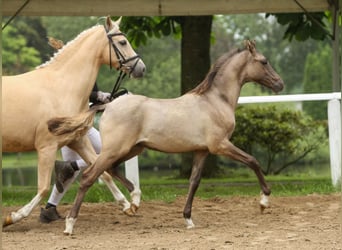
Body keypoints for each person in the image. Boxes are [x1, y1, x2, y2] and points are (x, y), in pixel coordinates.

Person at [39, 83, 111, 223]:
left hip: (75, 126)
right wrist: (98, 96)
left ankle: (49, 209)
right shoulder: (81, 73)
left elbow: (87, 100)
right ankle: (73, 166)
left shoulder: (88, 74)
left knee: (69, 172)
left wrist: (101, 100)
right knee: (109, 153)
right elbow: (78, 92)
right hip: (76, 127)